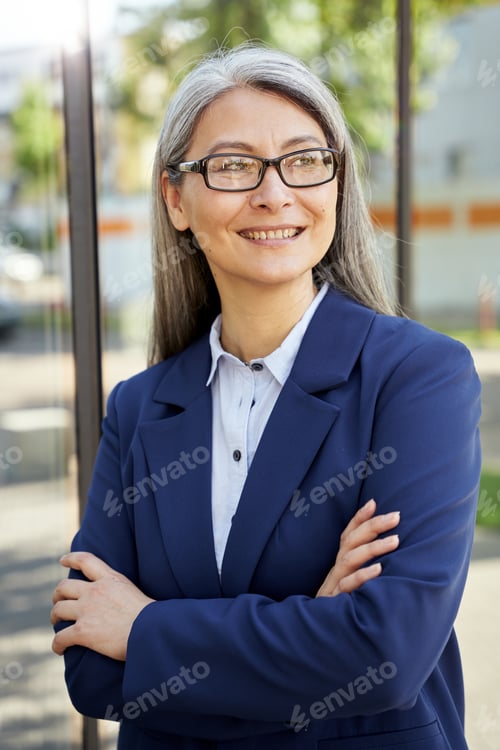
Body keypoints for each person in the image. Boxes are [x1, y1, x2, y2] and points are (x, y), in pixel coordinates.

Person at [51, 43, 481, 750]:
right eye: (233, 165)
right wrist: (307, 626)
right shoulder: (140, 407)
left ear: (337, 184)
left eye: (305, 160)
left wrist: (146, 631)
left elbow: (387, 654)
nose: (275, 192)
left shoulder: (418, 377)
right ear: (175, 198)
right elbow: (93, 673)